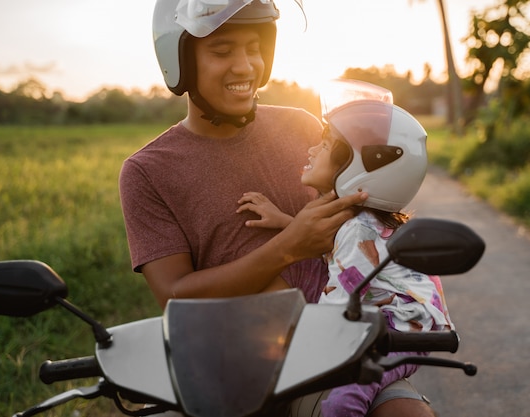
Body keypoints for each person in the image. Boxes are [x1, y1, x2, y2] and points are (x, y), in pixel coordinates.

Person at [119, 1, 436, 416]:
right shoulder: (147, 171)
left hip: (327, 353)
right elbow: (175, 296)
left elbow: (358, 229)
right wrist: (289, 245)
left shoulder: (304, 128)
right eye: (221, 51)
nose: (245, 66)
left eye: (254, 48)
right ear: (180, 60)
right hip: (221, 365)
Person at [238, 80, 452, 417]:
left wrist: (301, 340)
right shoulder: (360, 222)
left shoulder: (356, 230)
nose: (310, 151)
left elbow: (338, 308)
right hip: (399, 325)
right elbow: (330, 242)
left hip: (397, 332)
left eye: (323, 146)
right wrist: (283, 222)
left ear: (356, 168)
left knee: (340, 403)